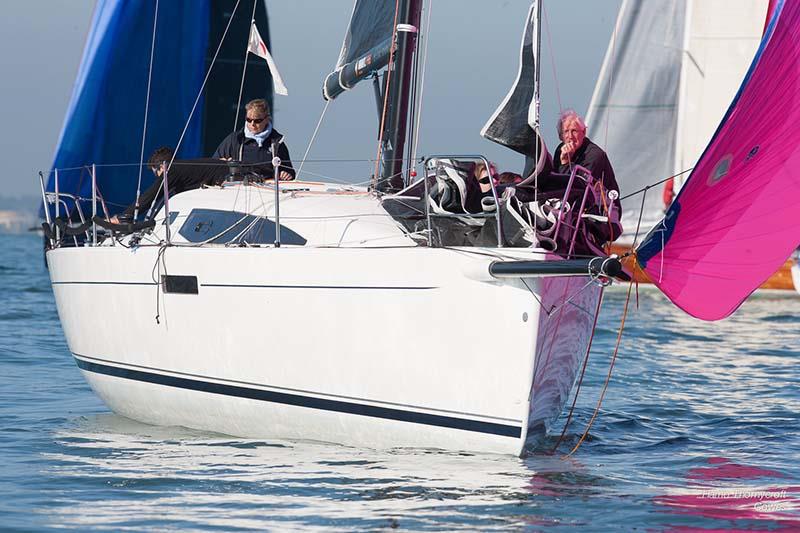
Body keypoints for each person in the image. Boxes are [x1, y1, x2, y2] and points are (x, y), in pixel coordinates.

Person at [111, 147, 231, 223]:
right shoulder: (183, 170)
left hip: (229, 179)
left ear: (162, 166)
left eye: (156, 173)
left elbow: (151, 195)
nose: (158, 177)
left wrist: (124, 216)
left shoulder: (173, 170)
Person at [213, 98, 295, 180]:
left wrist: (286, 174)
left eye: (257, 121)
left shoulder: (277, 142)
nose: (252, 124)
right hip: (240, 187)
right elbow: (213, 164)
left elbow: (289, 171)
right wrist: (223, 163)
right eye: (248, 120)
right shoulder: (235, 139)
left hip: (269, 189)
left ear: (267, 119)